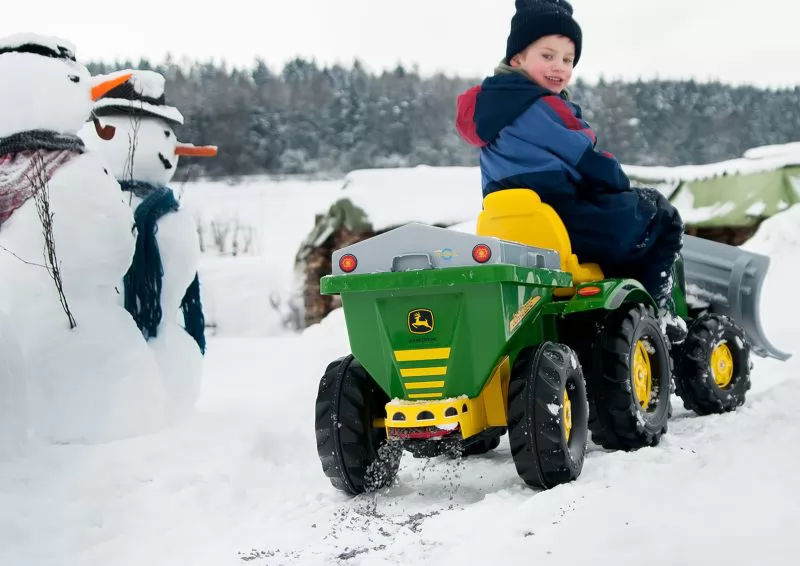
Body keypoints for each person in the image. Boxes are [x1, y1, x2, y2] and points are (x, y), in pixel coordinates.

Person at [455, 0, 685, 338]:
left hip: (513, 232)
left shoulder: (489, 114)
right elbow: (592, 163)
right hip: (565, 221)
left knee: (623, 222)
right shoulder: (545, 106)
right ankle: (657, 317)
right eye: (547, 56)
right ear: (517, 58)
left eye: (567, 59)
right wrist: (622, 185)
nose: (559, 67)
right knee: (660, 215)